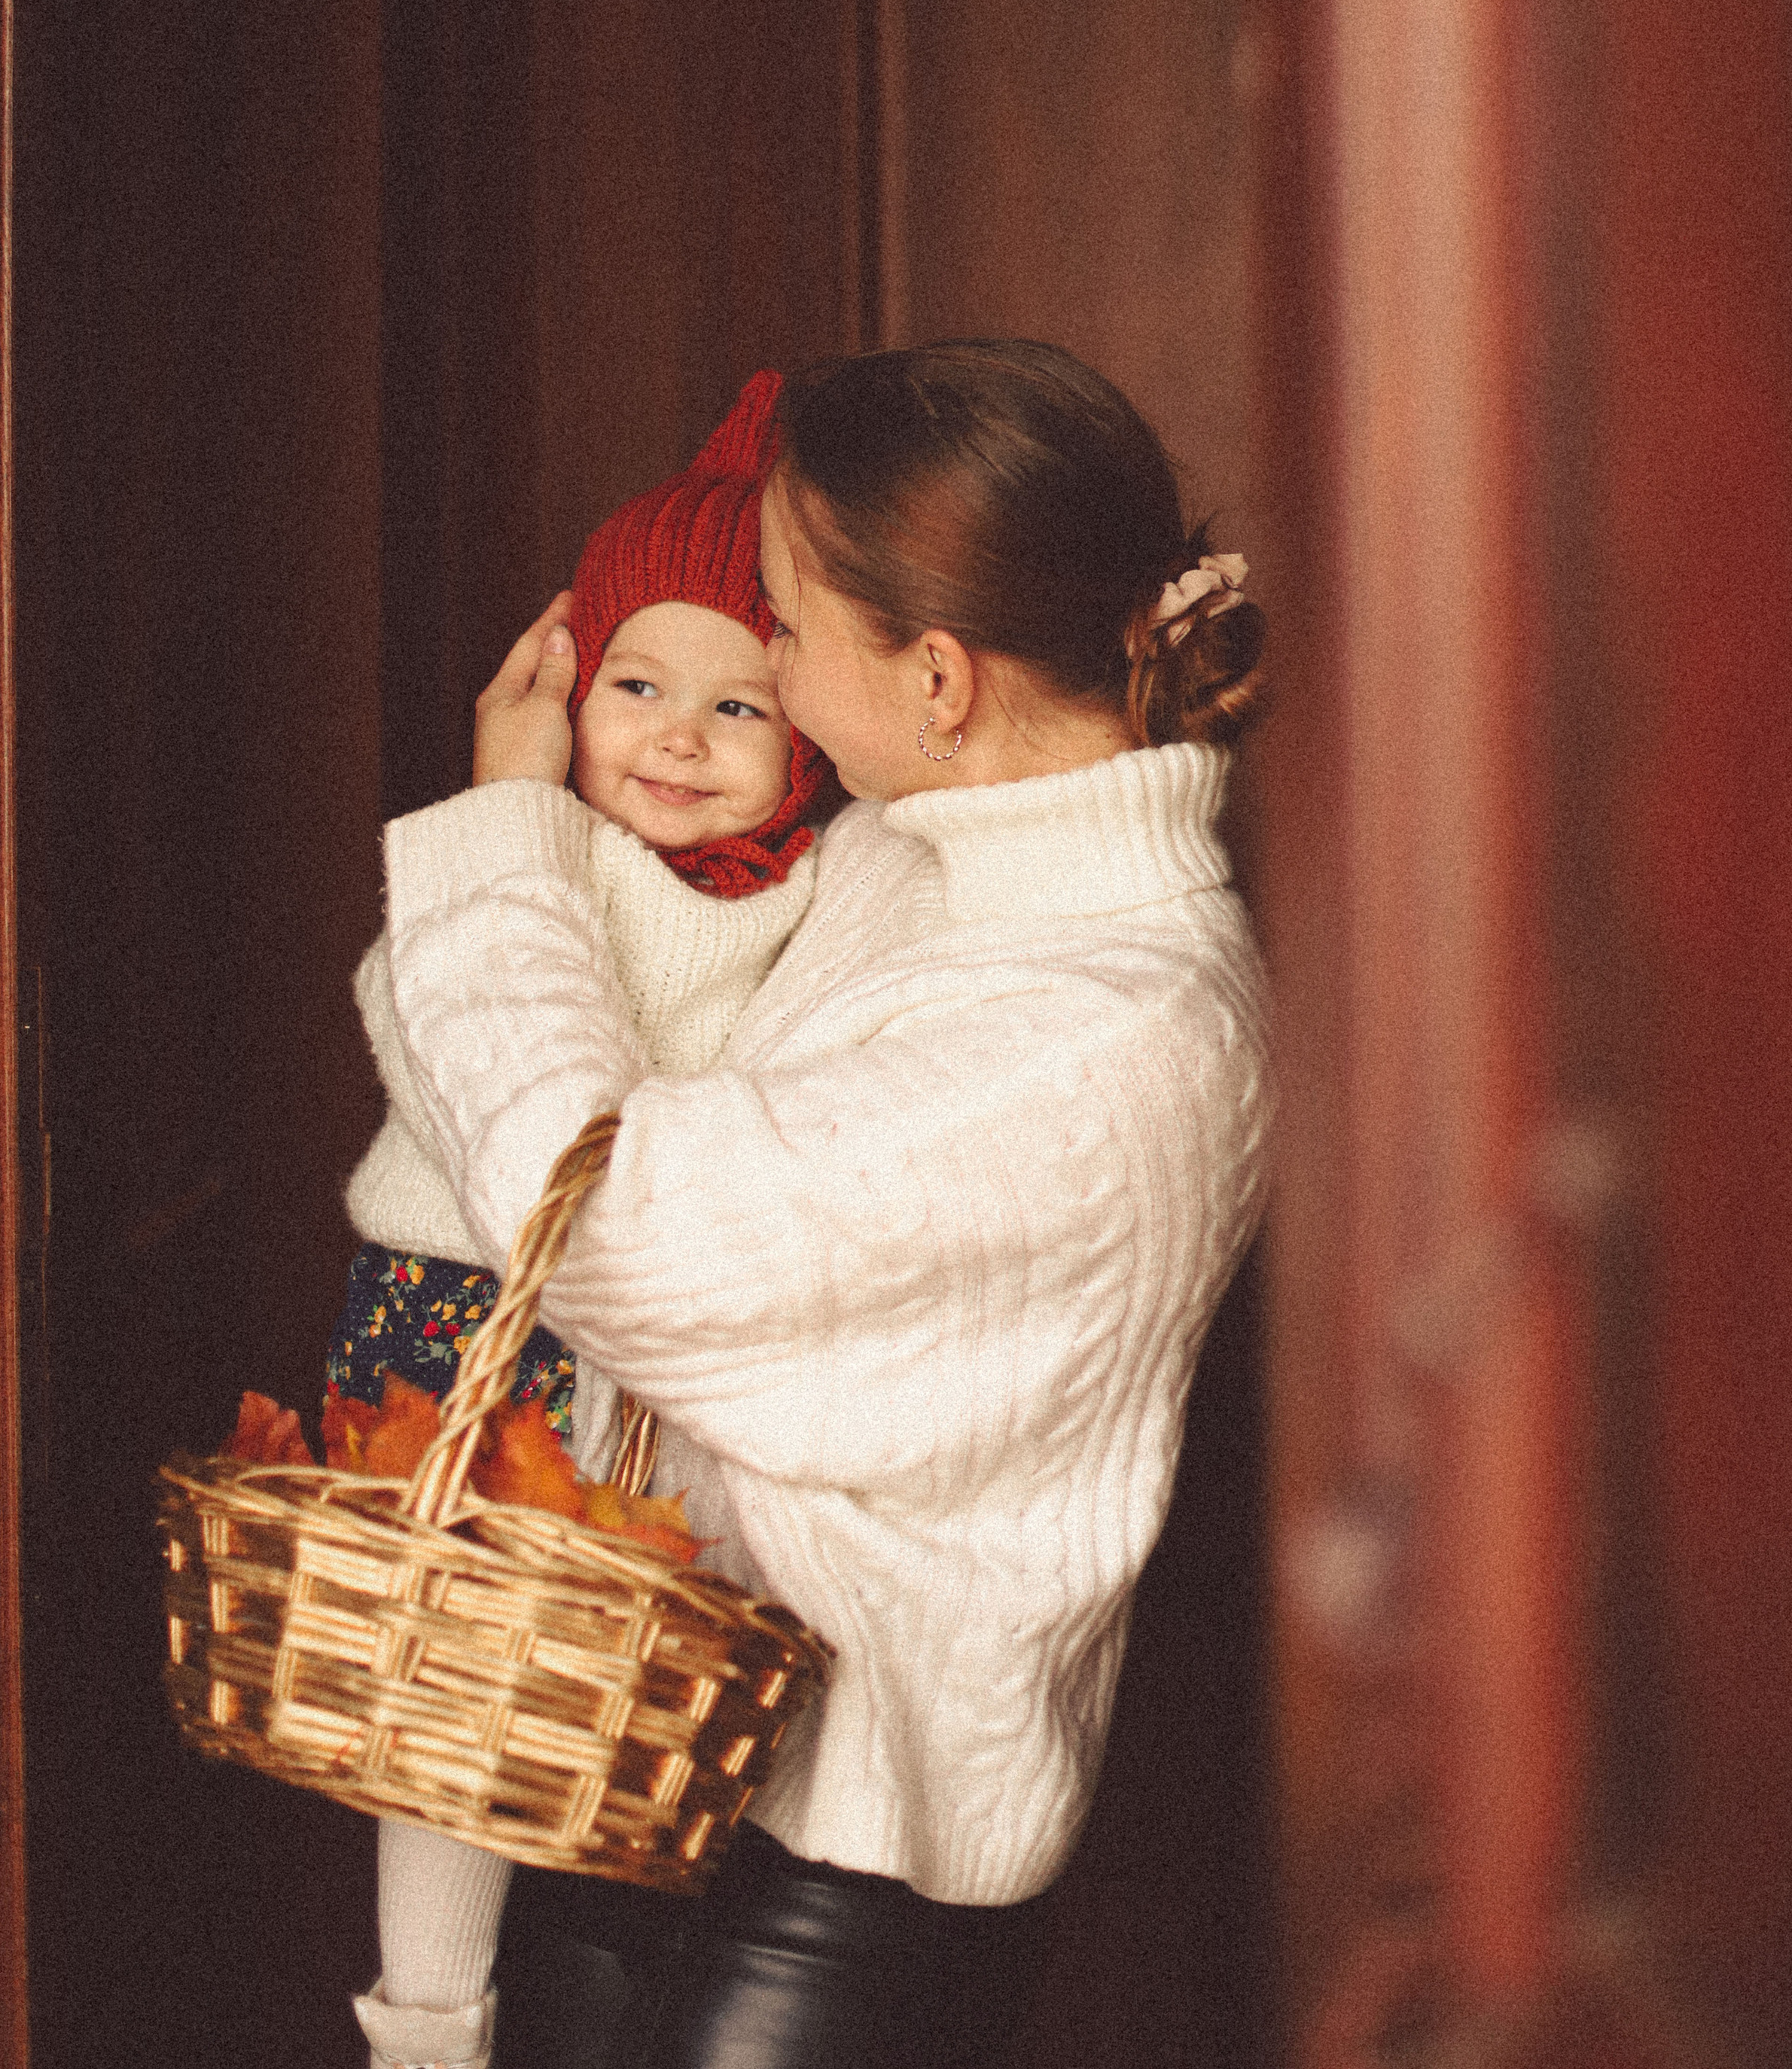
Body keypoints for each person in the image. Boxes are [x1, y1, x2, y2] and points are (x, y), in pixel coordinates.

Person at [378, 340, 1275, 2069]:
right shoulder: (910, 853)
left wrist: (505, 838)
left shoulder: (1112, 1028)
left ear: (933, 676)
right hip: (657, 1758)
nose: (760, 665)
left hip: (835, 1883)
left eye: (781, 624)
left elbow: (595, 1223)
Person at [338, 372, 830, 2069]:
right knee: (442, 1675)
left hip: (647, 1344)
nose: (676, 740)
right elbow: (422, 1016)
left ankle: (616, 1919)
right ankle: (426, 2015)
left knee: (628, 1646)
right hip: (458, 1312)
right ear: (567, 686)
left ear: (810, 745)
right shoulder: (521, 844)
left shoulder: (819, 907)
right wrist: (513, 804)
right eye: (635, 684)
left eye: (738, 708)